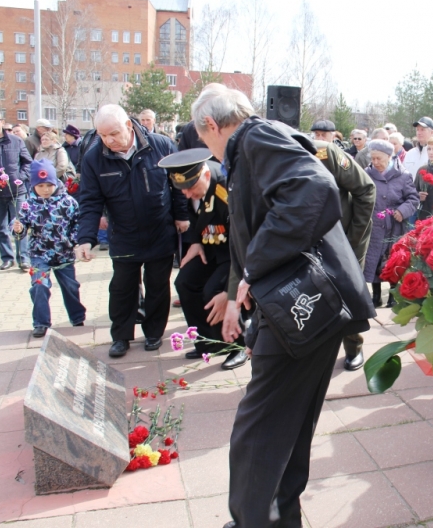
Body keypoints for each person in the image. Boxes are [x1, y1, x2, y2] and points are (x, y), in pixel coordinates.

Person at [189, 83, 375, 528]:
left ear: (211, 124)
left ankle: (257, 518)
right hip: (306, 305)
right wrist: (241, 282)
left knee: (261, 424)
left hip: (302, 304)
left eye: (203, 136)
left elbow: (314, 192)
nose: (205, 146)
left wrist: (254, 267)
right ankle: (274, 515)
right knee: (286, 421)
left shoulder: (255, 138)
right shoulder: (256, 141)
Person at [77, 104, 189, 358]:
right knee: (122, 288)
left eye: (114, 133)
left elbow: (179, 184)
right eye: (103, 135)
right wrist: (86, 238)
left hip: (160, 230)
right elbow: (90, 201)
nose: (109, 140)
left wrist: (181, 216)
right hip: (124, 234)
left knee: (158, 285)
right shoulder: (94, 158)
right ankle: (121, 336)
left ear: (128, 125)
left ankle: (153, 333)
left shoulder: (160, 145)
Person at [160, 148, 248, 370]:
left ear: (206, 175)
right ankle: (208, 342)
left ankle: (238, 346)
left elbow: (243, 242)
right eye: (183, 190)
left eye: (191, 188)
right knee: (184, 283)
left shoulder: (227, 190)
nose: (187, 194)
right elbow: (192, 213)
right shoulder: (189, 188)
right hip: (210, 246)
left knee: (213, 293)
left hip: (234, 254)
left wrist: (229, 293)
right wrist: (195, 241)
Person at [310, 137, 376, 370]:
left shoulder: (324, 153)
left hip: (347, 235)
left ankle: (353, 347)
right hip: (311, 237)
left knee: (349, 290)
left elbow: (366, 190)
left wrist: (353, 238)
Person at [12, 159, 86, 338]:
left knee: (70, 287)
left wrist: (73, 241)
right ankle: (41, 322)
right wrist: (18, 229)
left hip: (64, 254)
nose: (45, 189)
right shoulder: (27, 205)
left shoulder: (68, 202)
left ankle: (77, 318)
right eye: (41, 185)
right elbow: (20, 226)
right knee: (39, 286)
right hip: (39, 256)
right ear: (33, 185)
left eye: (49, 185)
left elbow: (78, 224)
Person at [362, 139, 419, 308]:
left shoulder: (403, 175)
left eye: (379, 158)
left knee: (394, 260)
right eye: (372, 158)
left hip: (395, 225)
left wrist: (402, 211)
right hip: (374, 224)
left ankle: (393, 294)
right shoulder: (366, 173)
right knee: (373, 259)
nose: (375, 162)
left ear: (389, 156)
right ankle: (376, 295)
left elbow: (413, 198)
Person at [0, 109, 32, 270]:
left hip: (17, 191)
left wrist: (21, 176)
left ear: (2, 122)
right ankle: (7, 258)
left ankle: (23, 258)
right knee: (0, 227)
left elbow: (27, 162)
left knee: (20, 225)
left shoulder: (16, 141)